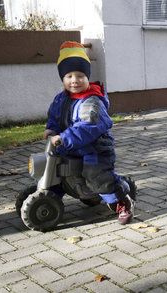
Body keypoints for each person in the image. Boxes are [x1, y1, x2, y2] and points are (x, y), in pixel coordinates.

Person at [45, 41, 136, 225]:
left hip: (94, 150)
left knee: (96, 176)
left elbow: (87, 127)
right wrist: (51, 128)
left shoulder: (92, 102)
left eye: (80, 75)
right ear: (62, 78)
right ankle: (53, 193)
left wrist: (63, 138)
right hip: (69, 148)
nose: (74, 80)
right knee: (60, 171)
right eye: (69, 76)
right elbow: (54, 115)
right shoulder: (61, 98)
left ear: (87, 77)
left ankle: (122, 200)